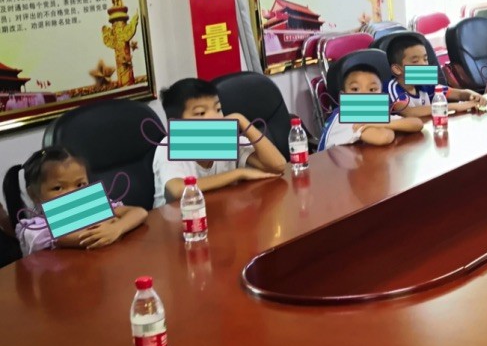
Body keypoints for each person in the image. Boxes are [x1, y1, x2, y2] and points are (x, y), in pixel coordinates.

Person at [153, 78, 287, 208]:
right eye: (201, 113)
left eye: (218, 109)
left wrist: (241, 120)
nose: (215, 117)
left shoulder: (224, 138)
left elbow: (278, 166)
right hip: (177, 219)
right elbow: (178, 189)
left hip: (217, 213)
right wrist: (239, 173)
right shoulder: (170, 145)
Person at [4, 147, 148, 256]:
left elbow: (139, 212)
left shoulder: (92, 205)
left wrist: (117, 228)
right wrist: (111, 222)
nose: (73, 193)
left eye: (80, 185)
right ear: (34, 194)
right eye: (58, 188)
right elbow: (80, 237)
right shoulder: (34, 230)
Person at [318, 63, 423, 151]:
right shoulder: (342, 118)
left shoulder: (373, 114)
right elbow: (384, 137)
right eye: (355, 89)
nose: (364, 95)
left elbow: (417, 123)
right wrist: (384, 124)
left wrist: (377, 123)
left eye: (372, 90)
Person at [386, 34, 487, 117]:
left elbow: (459, 94)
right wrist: (455, 106)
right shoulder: (392, 88)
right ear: (397, 69)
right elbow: (409, 112)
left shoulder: (425, 82)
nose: (424, 64)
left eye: (425, 59)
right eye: (415, 61)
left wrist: (472, 95)